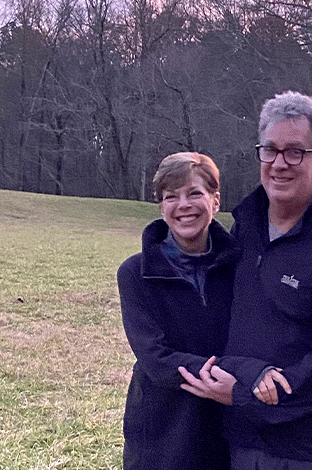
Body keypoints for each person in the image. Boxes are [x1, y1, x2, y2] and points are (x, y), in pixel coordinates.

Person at [180, 91, 312, 469]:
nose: (279, 163)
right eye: (270, 150)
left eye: (295, 152)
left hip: (308, 452)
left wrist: (248, 393)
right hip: (238, 444)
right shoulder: (244, 230)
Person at [117, 152, 237, 470]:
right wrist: (234, 378)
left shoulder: (241, 268)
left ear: (215, 200)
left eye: (195, 193)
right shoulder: (134, 273)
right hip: (163, 432)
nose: (183, 205)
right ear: (162, 207)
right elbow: (156, 360)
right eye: (171, 197)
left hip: (229, 430)